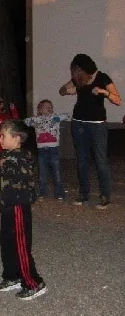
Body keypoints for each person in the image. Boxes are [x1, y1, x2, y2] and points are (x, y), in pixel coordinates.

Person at [0, 119, 47, 300]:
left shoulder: (21, 156)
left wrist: (0, 162)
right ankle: (12, 275)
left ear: (16, 138)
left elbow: (16, 164)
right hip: (7, 206)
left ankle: (33, 282)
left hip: (18, 206)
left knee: (20, 244)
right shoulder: (8, 154)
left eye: (3, 136)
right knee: (6, 242)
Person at [59, 54, 122, 209]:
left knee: (101, 161)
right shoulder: (78, 80)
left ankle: (105, 196)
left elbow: (118, 100)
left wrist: (102, 92)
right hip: (78, 123)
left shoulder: (103, 78)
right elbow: (61, 91)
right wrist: (69, 90)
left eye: (76, 70)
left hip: (97, 125)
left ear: (84, 69)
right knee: (81, 160)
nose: (74, 74)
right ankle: (83, 194)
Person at [24, 99, 70, 200]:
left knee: (56, 171)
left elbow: (67, 115)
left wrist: (58, 118)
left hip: (53, 148)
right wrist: (32, 123)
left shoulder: (54, 116)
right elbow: (25, 121)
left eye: (50, 107)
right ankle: (43, 192)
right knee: (42, 173)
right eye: (46, 107)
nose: (49, 108)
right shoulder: (37, 119)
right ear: (40, 109)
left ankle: (59, 193)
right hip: (41, 149)